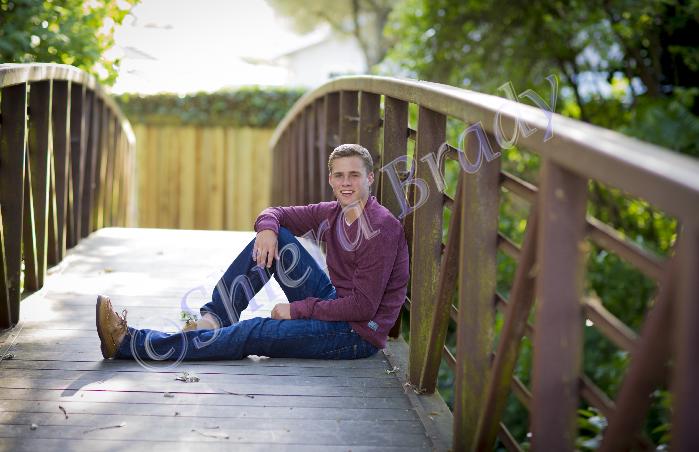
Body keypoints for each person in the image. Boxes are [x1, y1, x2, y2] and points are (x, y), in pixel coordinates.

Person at [95, 144, 410, 361]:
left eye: (355, 175)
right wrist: (267, 230)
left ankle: (130, 343)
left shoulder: (380, 228)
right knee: (278, 239)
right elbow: (275, 213)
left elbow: (363, 307)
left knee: (253, 332)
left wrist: (297, 309)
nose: (346, 182)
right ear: (330, 179)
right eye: (339, 175)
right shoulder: (333, 212)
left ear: (370, 178)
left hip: (356, 334)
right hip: (336, 302)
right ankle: (214, 319)